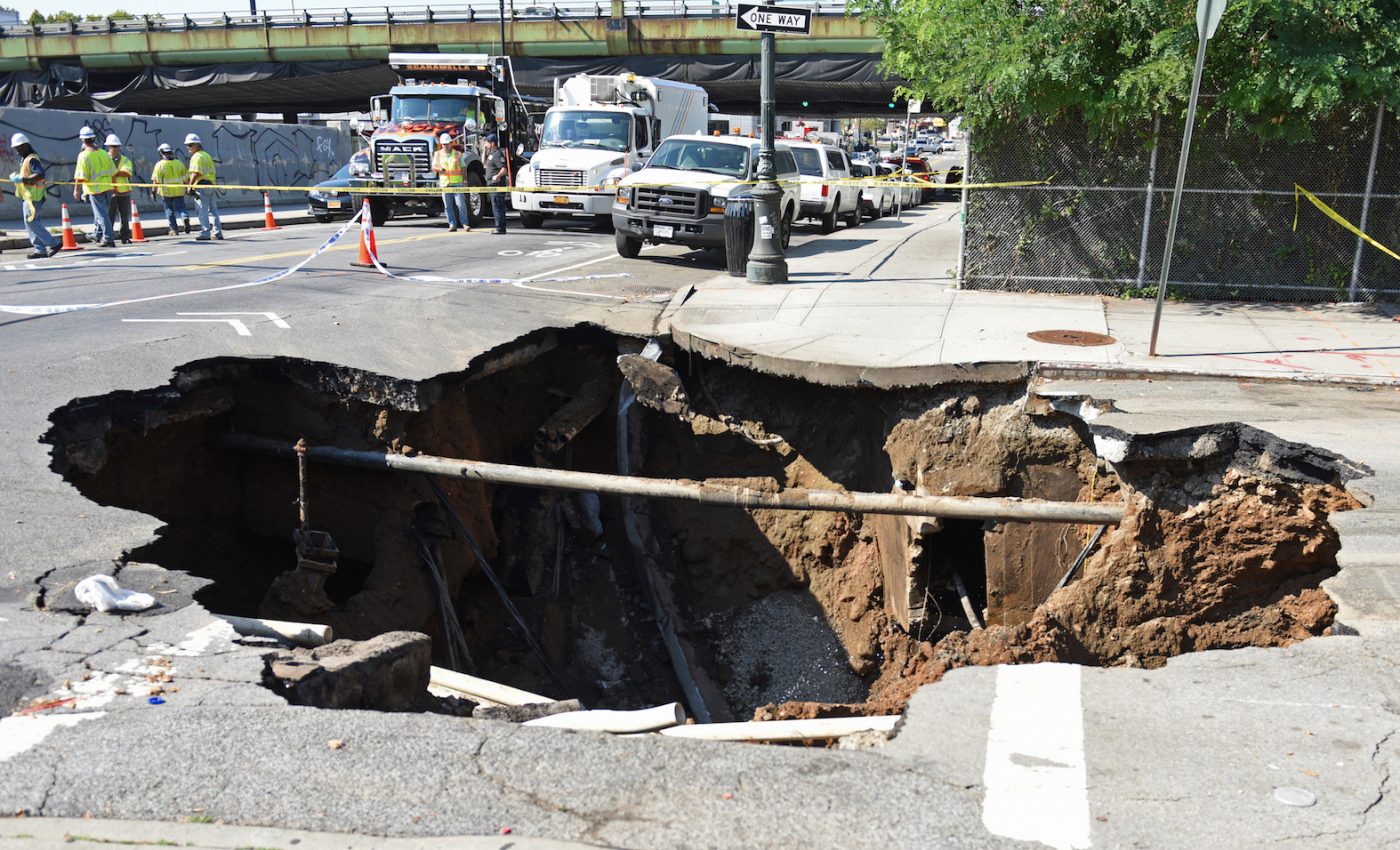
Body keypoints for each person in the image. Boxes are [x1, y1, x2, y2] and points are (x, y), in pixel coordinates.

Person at [9, 132, 60, 259]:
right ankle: (39, 249)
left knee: (31, 221)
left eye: (18, 148)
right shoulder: (26, 159)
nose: (16, 152)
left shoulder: (31, 159)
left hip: (33, 197)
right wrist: (19, 177)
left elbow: (40, 174)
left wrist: (22, 180)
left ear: (25, 146)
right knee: (30, 222)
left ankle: (54, 243)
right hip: (29, 196)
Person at [73, 126, 116, 248]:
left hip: (95, 190)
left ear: (83, 140)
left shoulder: (84, 156)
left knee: (102, 215)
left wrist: (76, 190)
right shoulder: (104, 153)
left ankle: (108, 238)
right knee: (101, 213)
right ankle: (97, 234)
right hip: (107, 187)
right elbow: (113, 171)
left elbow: (80, 176)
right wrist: (113, 187)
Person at [184, 133, 223, 241]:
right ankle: (217, 232)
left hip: (201, 186)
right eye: (187, 145)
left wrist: (189, 187)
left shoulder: (196, 157)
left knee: (202, 211)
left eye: (190, 145)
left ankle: (205, 233)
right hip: (210, 185)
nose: (188, 147)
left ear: (197, 144)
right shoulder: (206, 155)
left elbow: (195, 173)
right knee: (213, 210)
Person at [432, 132, 469, 232]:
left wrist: (465, 180)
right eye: (444, 144)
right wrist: (440, 169)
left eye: (447, 144)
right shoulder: (438, 154)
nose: (446, 146)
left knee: (461, 204)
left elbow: (463, 167)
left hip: (457, 183)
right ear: (441, 144)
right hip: (445, 184)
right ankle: (452, 224)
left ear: (450, 143)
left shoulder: (457, 154)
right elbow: (434, 167)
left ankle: (465, 223)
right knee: (448, 206)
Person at [150, 143, 191, 235]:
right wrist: (188, 189)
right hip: (179, 190)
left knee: (169, 210)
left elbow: (156, 181)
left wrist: (153, 191)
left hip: (166, 192)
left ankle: (174, 230)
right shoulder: (179, 163)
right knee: (181, 207)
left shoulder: (159, 165)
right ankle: (184, 217)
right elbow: (186, 178)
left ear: (161, 153)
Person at [105, 134, 134, 244]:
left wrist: (114, 172)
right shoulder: (105, 159)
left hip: (124, 192)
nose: (115, 148)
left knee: (124, 216)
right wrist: (117, 172)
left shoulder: (125, 160)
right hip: (110, 191)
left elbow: (127, 173)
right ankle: (109, 236)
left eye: (116, 146)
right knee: (109, 216)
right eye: (113, 146)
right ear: (109, 147)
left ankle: (125, 236)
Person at [483, 133, 509, 235]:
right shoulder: (491, 154)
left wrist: (497, 176)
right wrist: (484, 151)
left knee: (498, 207)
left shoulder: (497, 154)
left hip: (497, 186)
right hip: (492, 185)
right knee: (496, 207)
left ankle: (500, 228)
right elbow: (484, 163)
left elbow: (504, 169)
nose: (486, 143)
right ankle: (499, 227)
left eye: (487, 142)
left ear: (492, 143)